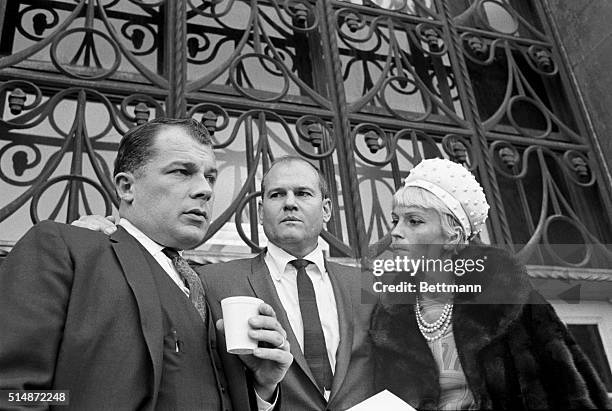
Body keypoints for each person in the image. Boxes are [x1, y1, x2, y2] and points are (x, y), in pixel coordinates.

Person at [0, 118, 292, 411]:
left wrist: (262, 389)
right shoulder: (67, 250)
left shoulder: (209, 287)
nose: (205, 189)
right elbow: (12, 393)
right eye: (182, 171)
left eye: (211, 177)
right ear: (126, 187)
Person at [75, 156, 377, 410]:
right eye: (276, 195)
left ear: (326, 210)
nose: (289, 203)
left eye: (303, 193)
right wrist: (103, 238)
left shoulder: (370, 285)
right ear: (261, 212)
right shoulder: (209, 282)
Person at [370, 158, 611, 410]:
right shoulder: (388, 315)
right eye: (394, 220)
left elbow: (567, 390)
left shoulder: (510, 300)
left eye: (414, 221)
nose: (396, 232)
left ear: (452, 233)